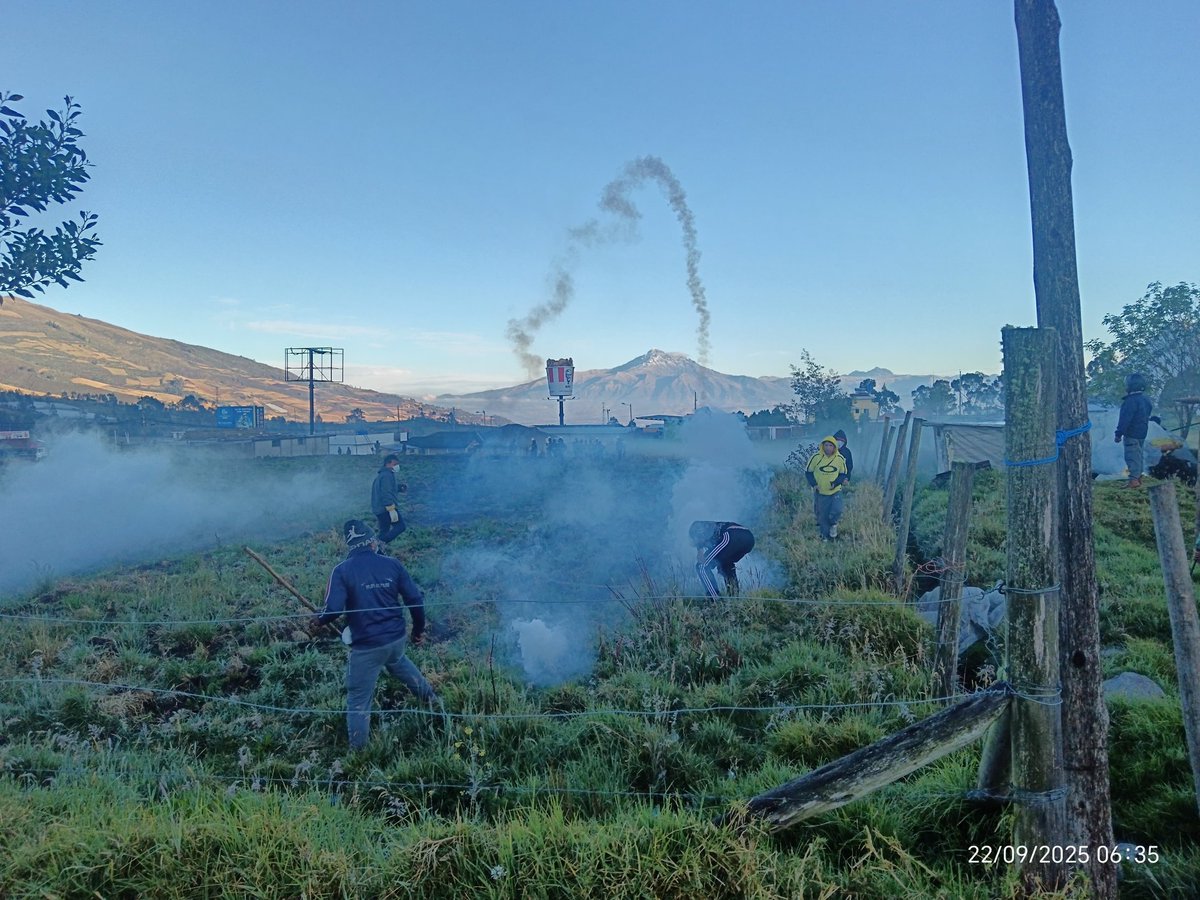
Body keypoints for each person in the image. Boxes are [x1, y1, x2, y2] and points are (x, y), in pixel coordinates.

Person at [312, 520, 438, 750]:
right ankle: (432, 701)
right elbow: (415, 600)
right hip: (396, 639)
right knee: (397, 661)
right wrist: (418, 631)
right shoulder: (393, 564)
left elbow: (333, 610)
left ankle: (359, 754)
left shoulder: (341, 570)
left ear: (350, 546)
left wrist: (317, 620)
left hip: (366, 648)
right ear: (372, 544)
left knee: (358, 699)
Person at [689, 520, 755, 600]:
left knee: (701, 566)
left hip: (732, 534)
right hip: (749, 539)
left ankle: (715, 600)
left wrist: (699, 549)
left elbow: (699, 527)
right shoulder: (713, 536)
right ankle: (733, 600)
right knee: (725, 564)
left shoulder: (701, 528)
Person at [806, 435, 849, 539]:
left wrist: (836, 483)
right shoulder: (815, 458)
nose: (828, 448)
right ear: (822, 446)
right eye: (826, 445)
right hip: (821, 492)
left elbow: (843, 474)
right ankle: (825, 538)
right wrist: (814, 484)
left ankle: (833, 524)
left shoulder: (840, 459)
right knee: (822, 517)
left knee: (837, 510)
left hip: (835, 491)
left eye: (830, 445)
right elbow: (808, 472)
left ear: (834, 447)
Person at [1114, 373, 1153, 488]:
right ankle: (1138, 478)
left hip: (1131, 434)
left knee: (1132, 457)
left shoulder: (1130, 401)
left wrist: (1118, 434)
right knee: (1139, 456)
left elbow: (1125, 419)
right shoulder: (1146, 400)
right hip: (1142, 433)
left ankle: (1133, 481)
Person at [371, 453, 408, 543]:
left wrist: (399, 488)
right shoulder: (386, 475)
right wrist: (391, 509)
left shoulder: (382, 475)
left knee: (384, 531)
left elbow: (388, 489)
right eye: (394, 464)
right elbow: (386, 493)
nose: (396, 466)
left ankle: (377, 549)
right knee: (400, 526)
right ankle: (379, 543)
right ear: (388, 464)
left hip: (379, 509)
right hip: (386, 509)